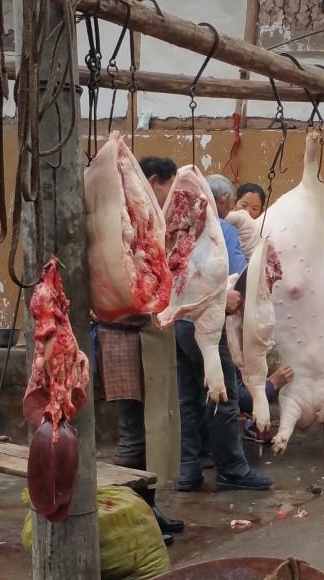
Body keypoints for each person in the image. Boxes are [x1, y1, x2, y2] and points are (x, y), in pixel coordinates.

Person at [93, 156, 183, 536]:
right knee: (133, 433)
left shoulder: (142, 225)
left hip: (147, 340)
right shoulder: (118, 223)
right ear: (151, 181)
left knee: (151, 431)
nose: (169, 197)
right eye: (167, 188)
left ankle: (147, 509)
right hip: (122, 340)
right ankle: (128, 517)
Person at [175, 174, 271, 492]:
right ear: (221, 201)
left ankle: (188, 469)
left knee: (188, 399)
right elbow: (238, 273)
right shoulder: (221, 230)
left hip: (179, 322)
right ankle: (232, 469)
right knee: (223, 396)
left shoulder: (180, 230)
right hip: (207, 323)